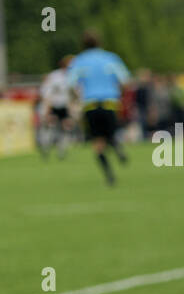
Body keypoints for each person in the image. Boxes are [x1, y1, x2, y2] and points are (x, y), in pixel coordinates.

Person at [67, 30, 130, 186]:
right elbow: (125, 80)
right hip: (110, 102)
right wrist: (119, 95)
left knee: (97, 142)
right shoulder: (110, 58)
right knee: (111, 134)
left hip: (90, 104)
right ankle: (117, 148)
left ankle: (109, 176)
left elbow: (70, 85)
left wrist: (75, 98)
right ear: (100, 42)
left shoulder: (79, 61)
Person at [36, 55, 76, 160]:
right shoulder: (54, 76)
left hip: (64, 106)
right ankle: (45, 147)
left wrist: (71, 106)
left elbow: (72, 93)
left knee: (67, 126)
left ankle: (61, 150)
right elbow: (46, 92)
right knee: (50, 126)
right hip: (53, 105)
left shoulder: (72, 77)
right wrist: (47, 107)